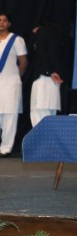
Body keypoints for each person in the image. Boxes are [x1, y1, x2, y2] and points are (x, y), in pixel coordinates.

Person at [0, 12, 27, 156]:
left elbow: (23, 63)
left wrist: (16, 77)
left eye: (4, 20)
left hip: (11, 83)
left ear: (9, 23)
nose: (1, 22)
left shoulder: (17, 40)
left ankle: (5, 148)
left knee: (9, 115)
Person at [29, 19, 65, 127]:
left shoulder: (42, 32)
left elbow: (41, 52)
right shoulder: (59, 36)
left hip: (43, 79)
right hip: (55, 82)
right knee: (51, 117)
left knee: (38, 115)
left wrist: (48, 71)